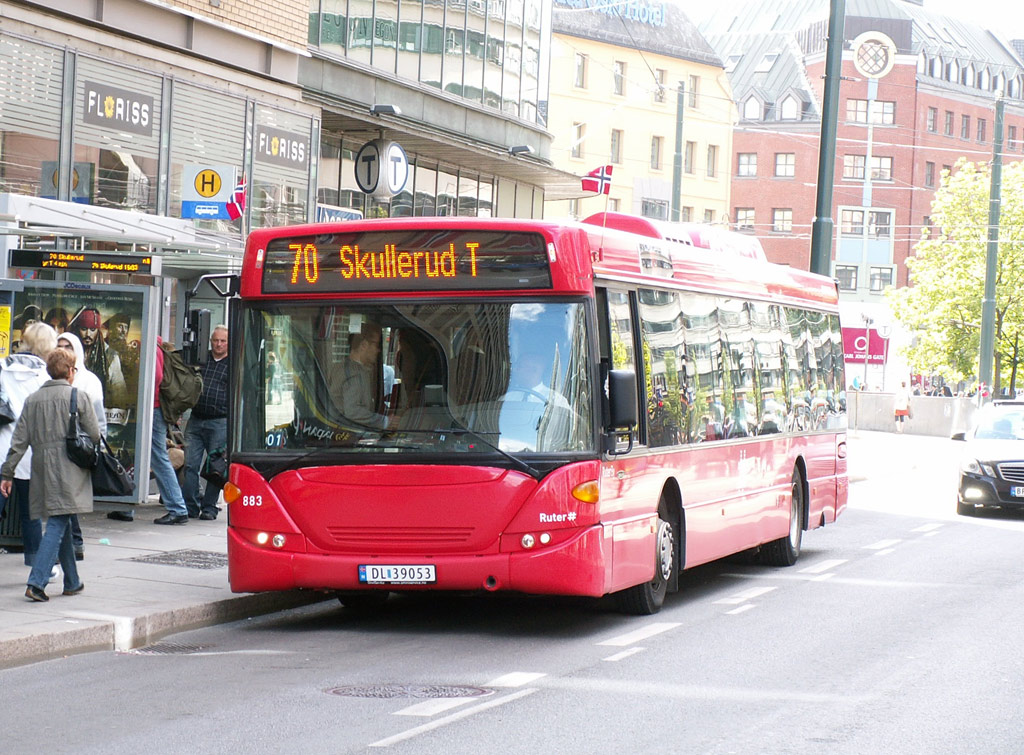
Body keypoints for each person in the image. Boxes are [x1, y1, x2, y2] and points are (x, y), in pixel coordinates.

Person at [1, 348, 99, 602]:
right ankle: (37, 582)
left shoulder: (33, 400)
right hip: (70, 470)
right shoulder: (78, 397)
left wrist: (7, 473)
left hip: (41, 468)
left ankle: (73, 581)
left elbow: (19, 440)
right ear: (69, 371)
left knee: (61, 518)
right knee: (57, 522)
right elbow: (95, 434)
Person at [107, 338, 190, 524]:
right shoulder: (154, 342)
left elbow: (156, 377)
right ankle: (127, 506)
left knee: (157, 456)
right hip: (151, 408)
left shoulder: (149, 342)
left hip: (150, 409)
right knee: (134, 454)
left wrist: (141, 401)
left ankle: (177, 508)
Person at [0, 322, 58, 569]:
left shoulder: (2, 368)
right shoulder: (45, 377)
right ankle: (36, 563)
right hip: (31, 452)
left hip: (2, 448)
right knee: (31, 513)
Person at [57, 332, 107, 561]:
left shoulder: (89, 381)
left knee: (67, 498)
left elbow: (98, 421)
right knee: (64, 499)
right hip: (56, 446)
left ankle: (72, 543)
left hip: (79, 448)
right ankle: (72, 545)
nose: (64, 350)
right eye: (60, 346)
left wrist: (97, 449)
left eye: (68, 346)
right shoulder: (51, 378)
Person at [183, 325, 229, 520]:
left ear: (228, 343)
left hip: (219, 421)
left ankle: (209, 507)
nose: (218, 345)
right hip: (196, 419)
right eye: (215, 340)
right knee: (189, 465)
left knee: (215, 468)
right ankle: (190, 506)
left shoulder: (233, 363)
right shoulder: (201, 360)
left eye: (222, 341)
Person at [68, 306, 128, 407]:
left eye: (92, 329)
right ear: (77, 329)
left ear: (98, 331)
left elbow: (120, 394)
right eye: (83, 329)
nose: (88, 334)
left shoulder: (110, 356)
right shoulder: (68, 351)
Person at [330, 328, 388, 429]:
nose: (378, 350)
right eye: (376, 345)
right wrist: (385, 421)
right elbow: (353, 411)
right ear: (364, 345)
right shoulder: (354, 373)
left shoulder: (341, 367)